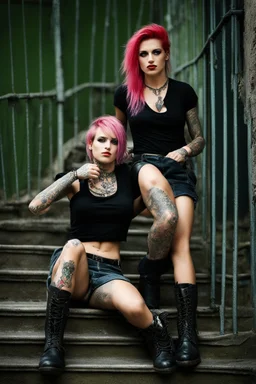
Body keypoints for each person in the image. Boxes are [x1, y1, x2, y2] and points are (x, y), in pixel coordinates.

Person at [28, 115, 176, 376]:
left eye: (114, 141)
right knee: (73, 245)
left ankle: (158, 334)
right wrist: (75, 173)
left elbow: (153, 204)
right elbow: (35, 206)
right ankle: (52, 345)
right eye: (101, 140)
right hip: (75, 269)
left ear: (120, 148)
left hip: (108, 274)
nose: (108, 145)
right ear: (91, 145)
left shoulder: (130, 178)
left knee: (135, 307)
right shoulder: (76, 180)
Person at [114, 24, 206, 368]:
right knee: (167, 217)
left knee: (181, 243)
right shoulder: (126, 94)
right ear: (136, 60)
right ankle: (151, 271)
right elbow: (117, 139)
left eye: (156, 52)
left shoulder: (183, 92)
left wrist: (184, 151)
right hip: (144, 169)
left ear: (166, 54)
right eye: (143, 54)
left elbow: (199, 139)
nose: (150, 59)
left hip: (178, 170)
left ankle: (188, 337)